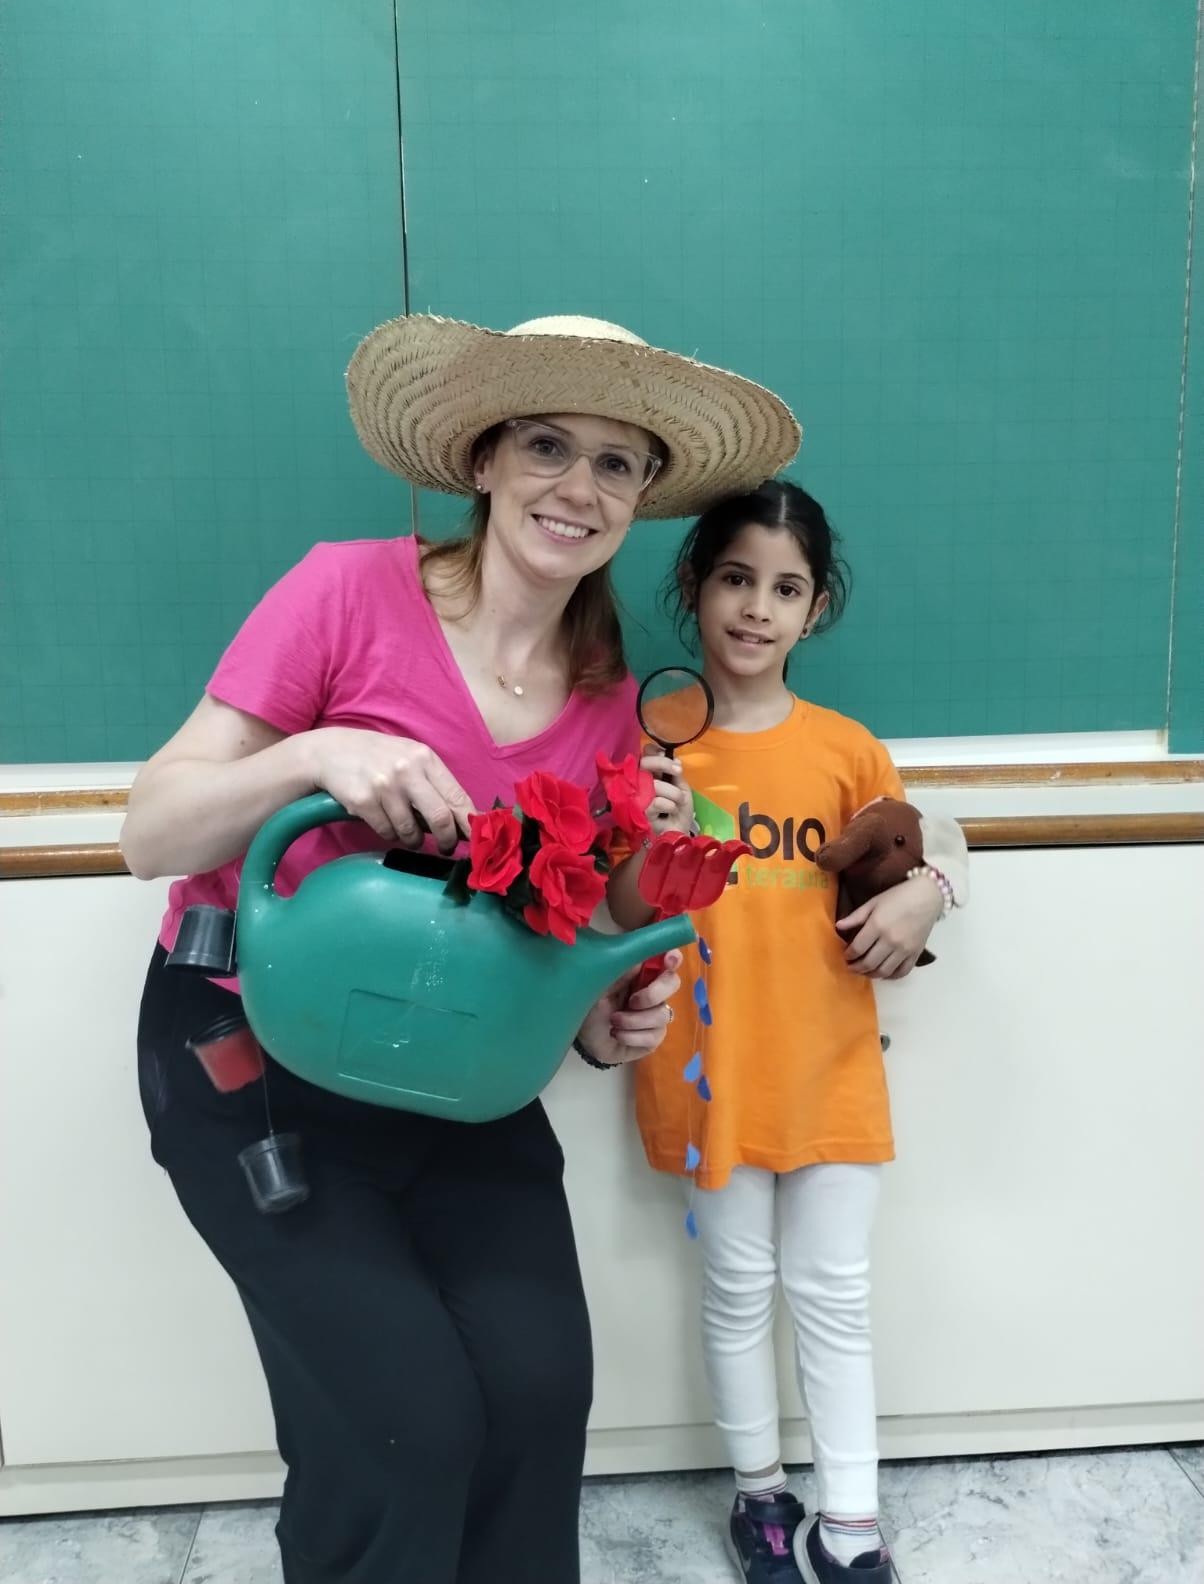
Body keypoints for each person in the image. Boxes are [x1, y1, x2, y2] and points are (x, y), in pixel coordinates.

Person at [120, 313, 802, 1584]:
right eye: (546, 445)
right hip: (247, 1056)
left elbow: (549, 953)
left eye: (616, 462)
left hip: (456, 1076)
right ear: (483, 460)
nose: (577, 486)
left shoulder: (612, 706)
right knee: (405, 1424)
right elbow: (149, 834)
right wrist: (317, 754)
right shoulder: (342, 591)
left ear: (640, 498)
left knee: (538, 1396)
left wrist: (601, 1017)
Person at [608, 479, 969, 1584]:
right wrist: (655, 836)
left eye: (786, 588)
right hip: (709, 1069)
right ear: (694, 587)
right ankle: (760, 1495)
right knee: (734, 1289)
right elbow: (622, 910)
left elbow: (921, 848)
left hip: (830, 1068)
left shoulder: (846, 751)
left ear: (815, 608)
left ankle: (850, 1522)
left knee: (834, 1291)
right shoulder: (655, 755)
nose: (756, 609)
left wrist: (934, 892)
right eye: (735, 579)